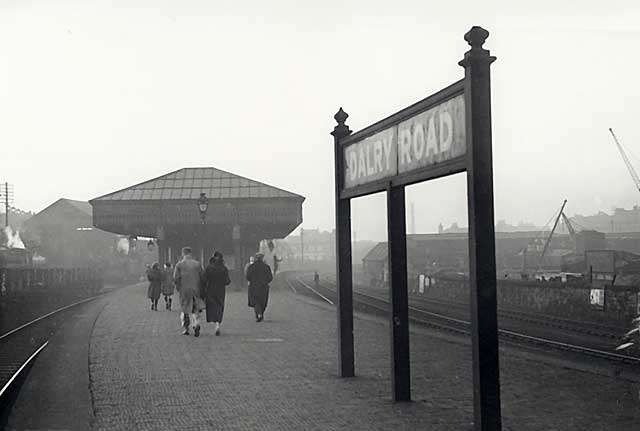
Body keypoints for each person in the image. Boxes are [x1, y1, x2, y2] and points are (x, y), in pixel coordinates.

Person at [173, 247, 205, 336]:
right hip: (195, 289)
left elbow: (176, 278)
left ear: (183, 254)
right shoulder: (197, 264)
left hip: (184, 290)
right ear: (191, 254)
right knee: (195, 308)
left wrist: (178, 287)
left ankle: (186, 328)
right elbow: (203, 277)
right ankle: (196, 323)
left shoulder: (179, 265)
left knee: (185, 309)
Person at [201, 251, 231, 336]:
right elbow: (227, 281)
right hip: (220, 290)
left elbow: (203, 279)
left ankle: (213, 321)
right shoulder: (223, 268)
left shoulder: (209, 268)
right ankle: (218, 323)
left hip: (210, 290)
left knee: (211, 306)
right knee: (219, 306)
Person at [246, 253, 273, 322]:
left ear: (256, 258)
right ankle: (261, 314)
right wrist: (266, 281)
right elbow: (270, 278)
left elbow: (248, 277)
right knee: (263, 302)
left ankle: (259, 314)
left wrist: (252, 280)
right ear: (262, 258)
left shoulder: (251, 267)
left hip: (253, 287)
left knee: (256, 301)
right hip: (264, 287)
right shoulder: (266, 267)